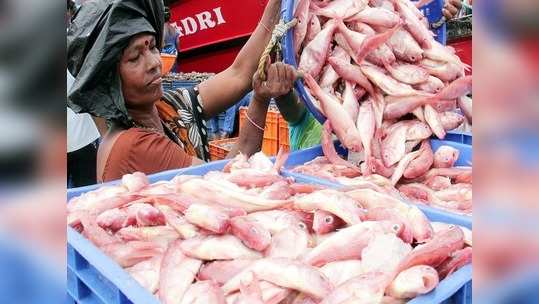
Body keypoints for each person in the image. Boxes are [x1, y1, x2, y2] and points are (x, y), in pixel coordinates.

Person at [67, 0, 286, 183]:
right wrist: (260, 100)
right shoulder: (135, 145)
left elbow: (239, 75)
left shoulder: (165, 108)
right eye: (135, 57)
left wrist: (278, 5)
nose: (154, 62)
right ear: (109, 81)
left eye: (152, 47)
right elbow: (228, 182)